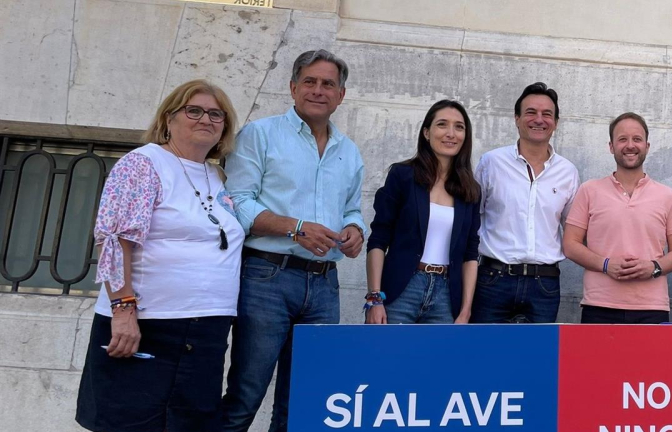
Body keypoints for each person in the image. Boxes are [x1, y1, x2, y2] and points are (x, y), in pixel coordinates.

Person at [76, 80, 245, 432]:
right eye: (193, 110)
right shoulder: (143, 164)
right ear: (169, 119)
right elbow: (114, 239)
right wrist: (123, 310)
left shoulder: (217, 175)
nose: (206, 119)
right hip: (148, 326)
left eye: (216, 114)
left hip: (205, 331)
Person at [221, 49, 366, 432]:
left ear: (341, 95)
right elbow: (236, 203)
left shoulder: (348, 151)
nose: (319, 91)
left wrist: (355, 232)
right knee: (246, 393)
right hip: (266, 279)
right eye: (310, 82)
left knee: (304, 398)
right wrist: (294, 227)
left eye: (328, 84)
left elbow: (351, 208)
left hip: (323, 285)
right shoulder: (260, 134)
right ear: (292, 87)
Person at [563, 112, 672, 324]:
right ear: (611, 146)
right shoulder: (589, 190)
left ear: (647, 146)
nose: (630, 145)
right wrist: (605, 264)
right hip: (599, 305)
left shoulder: (668, 196)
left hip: (652, 307)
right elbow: (570, 244)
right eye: (622, 139)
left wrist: (654, 267)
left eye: (637, 139)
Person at [365, 100, 481, 324]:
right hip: (401, 291)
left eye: (459, 127)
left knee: (437, 360)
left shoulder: (470, 190)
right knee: (391, 358)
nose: (451, 133)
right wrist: (374, 298)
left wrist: (465, 311)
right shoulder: (403, 176)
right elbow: (379, 239)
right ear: (426, 132)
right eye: (442, 125)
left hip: (446, 297)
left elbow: (470, 254)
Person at [472, 83, 579, 323]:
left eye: (547, 114)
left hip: (545, 285)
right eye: (531, 112)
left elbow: (573, 231)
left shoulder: (568, 172)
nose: (539, 119)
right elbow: (472, 221)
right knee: (484, 355)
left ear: (556, 122)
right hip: (493, 279)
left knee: (537, 359)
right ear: (517, 119)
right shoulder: (491, 163)